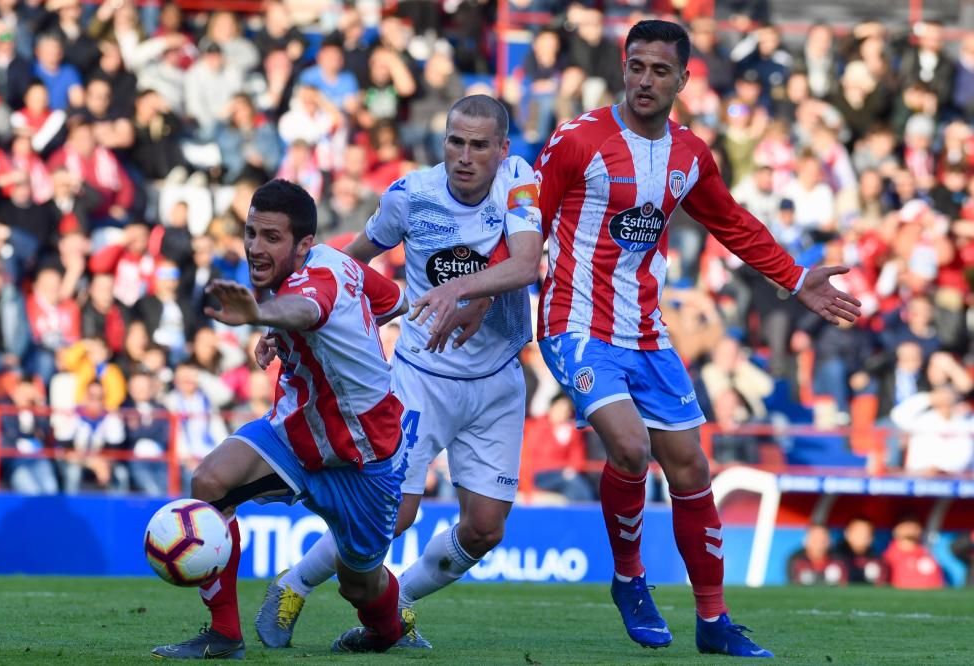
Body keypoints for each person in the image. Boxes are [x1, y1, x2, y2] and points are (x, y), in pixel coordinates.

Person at [525, 20, 860, 658]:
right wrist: (487, 300)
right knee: (628, 447)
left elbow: (729, 220)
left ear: (683, 79)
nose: (645, 79)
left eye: (659, 70)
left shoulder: (690, 154)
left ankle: (713, 621)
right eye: (636, 66)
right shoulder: (578, 141)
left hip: (648, 332)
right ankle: (629, 580)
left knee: (691, 466)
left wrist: (794, 278)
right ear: (622, 68)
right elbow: (526, 229)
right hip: (575, 322)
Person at [254, 94, 543, 649]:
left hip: (499, 379)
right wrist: (286, 320)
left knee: (484, 529)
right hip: (421, 376)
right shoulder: (412, 194)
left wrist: (462, 288)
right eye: (455, 142)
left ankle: (399, 604)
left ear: (502, 149)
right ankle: (293, 585)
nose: (464, 155)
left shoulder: (518, 181)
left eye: (479, 145)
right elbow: (346, 261)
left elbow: (527, 263)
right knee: (394, 516)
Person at [150, 179, 412, 658]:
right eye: (252, 233)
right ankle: (225, 635)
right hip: (293, 437)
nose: (255, 247)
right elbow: (392, 299)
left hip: (363, 459)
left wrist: (264, 316)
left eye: (272, 238)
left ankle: (390, 630)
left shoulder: (317, 281)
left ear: (304, 244)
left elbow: (307, 306)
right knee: (209, 481)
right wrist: (282, 332)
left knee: (361, 587)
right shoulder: (340, 263)